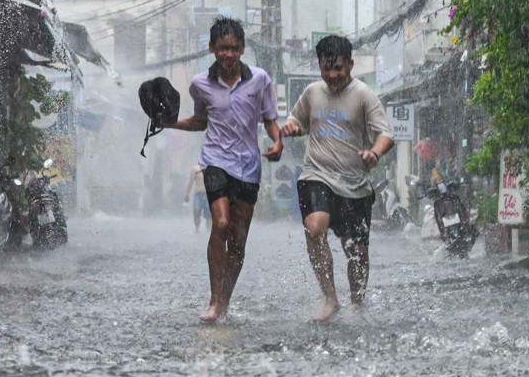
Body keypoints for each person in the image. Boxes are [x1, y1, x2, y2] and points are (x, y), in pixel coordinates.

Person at [168, 17, 282, 322]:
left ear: (242, 49)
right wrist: (171, 123)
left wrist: (277, 141)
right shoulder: (200, 84)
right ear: (211, 48)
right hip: (215, 161)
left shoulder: (260, 80)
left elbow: (270, 118)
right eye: (222, 49)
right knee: (220, 224)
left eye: (233, 48)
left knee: (238, 239)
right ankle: (214, 300)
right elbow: (200, 121)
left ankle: (226, 298)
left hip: (248, 167)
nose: (227, 55)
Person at [279, 33, 393, 321]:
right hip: (316, 174)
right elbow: (297, 119)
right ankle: (330, 298)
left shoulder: (364, 94)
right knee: (315, 228)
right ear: (319, 66)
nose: (332, 75)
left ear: (351, 65)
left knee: (356, 251)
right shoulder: (313, 92)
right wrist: (291, 126)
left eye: (338, 68)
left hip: (354, 185)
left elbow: (386, 134)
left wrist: (374, 154)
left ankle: (357, 303)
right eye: (326, 68)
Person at [183, 164, 209, 232]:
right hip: (199, 194)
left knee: (209, 215)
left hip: (209, 195)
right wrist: (187, 194)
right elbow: (191, 182)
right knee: (197, 212)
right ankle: (197, 229)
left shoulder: (212, 168)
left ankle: (208, 232)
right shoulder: (195, 169)